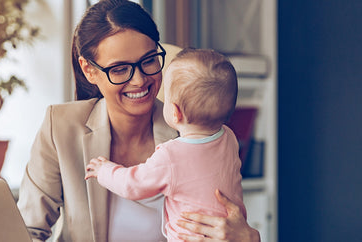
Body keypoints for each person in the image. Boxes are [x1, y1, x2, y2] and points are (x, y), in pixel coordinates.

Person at [17, 0, 260, 241]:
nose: (139, 80)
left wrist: (249, 238)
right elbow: (26, 232)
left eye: (148, 61)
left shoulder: (196, 132)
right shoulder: (59, 127)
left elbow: (225, 218)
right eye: (120, 69)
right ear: (89, 70)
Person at [85, 48, 245, 241]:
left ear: (175, 112)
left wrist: (104, 170)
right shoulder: (229, 138)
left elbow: (132, 184)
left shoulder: (171, 156)